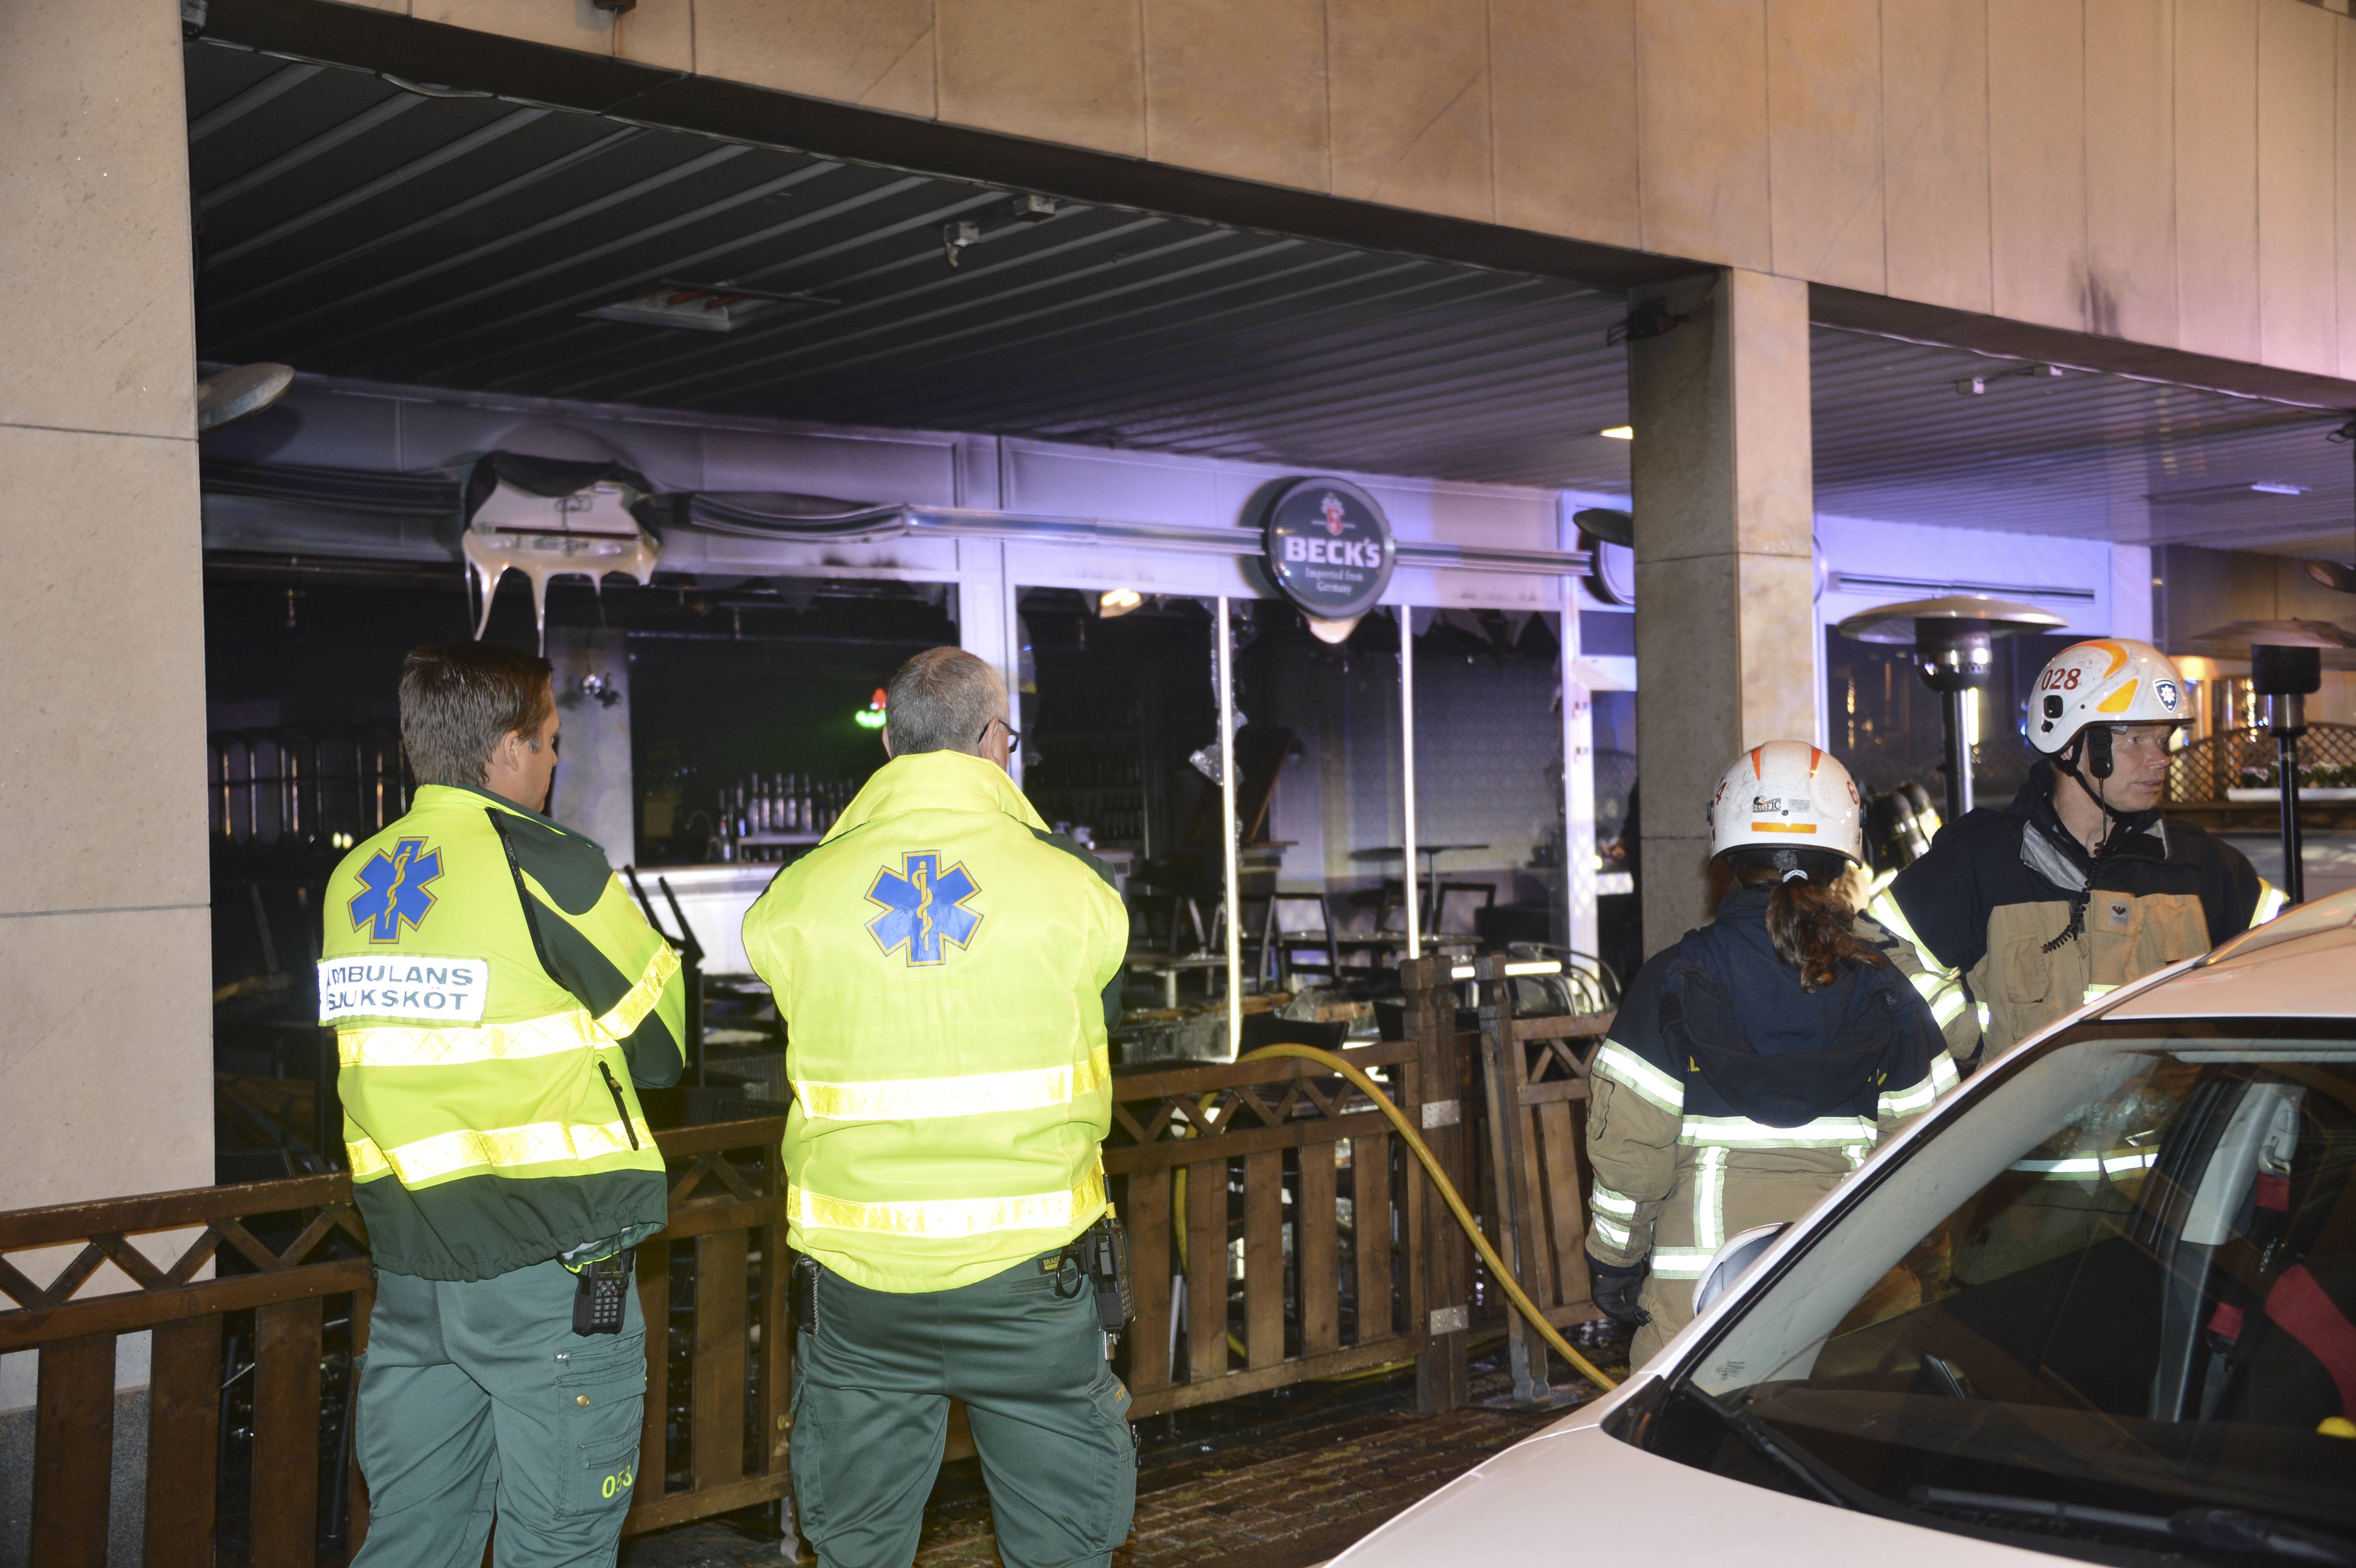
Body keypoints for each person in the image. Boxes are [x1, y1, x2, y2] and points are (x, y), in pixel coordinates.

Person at [742, 647, 1134, 1568]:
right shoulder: (1073, 884)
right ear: (994, 740)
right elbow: (1102, 1014)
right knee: (1065, 1545)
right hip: (1031, 1279)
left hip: (857, 1289)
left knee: (856, 1545)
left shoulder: (799, 893)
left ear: (889, 747)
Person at [319, 641, 686, 1568]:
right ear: (511, 746)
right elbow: (663, 1046)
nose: (556, 762)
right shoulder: (547, 864)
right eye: (552, 739)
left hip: (412, 1264)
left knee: (413, 1541)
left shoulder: (356, 877)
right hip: (548, 1264)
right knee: (558, 1544)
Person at [1585, 741, 1956, 1369]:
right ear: (1845, 852)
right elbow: (1930, 1158)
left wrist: (1613, 1263)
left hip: (1695, 1322)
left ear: (1726, 852)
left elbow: (1629, 1155)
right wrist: (1927, 1273)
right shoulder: (1889, 991)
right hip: (1848, 1320)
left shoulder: (1670, 983)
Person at [1880, 638, 2275, 1071]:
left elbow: (2293, 952)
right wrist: (1971, 1040)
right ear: (2070, 746)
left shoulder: (2200, 862)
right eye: (2136, 740)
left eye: (2163, 740)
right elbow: (1880, 949)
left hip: (2170, 1116)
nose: (2161, 759)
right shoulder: (1984, 859)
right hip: (2032, 1116)